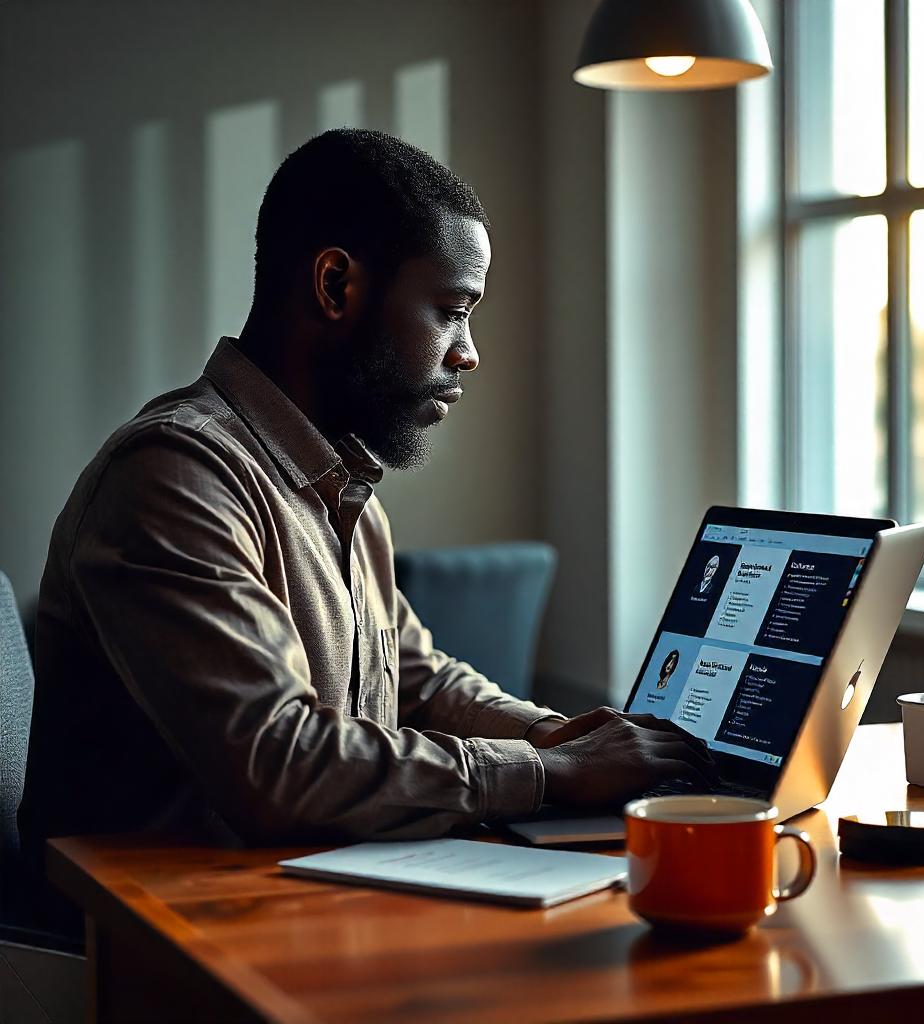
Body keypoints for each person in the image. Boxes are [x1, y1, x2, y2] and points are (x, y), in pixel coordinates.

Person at [16, 129, 712, 940]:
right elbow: (277, 762)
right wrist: (553, 772)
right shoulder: (175, 474)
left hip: (296, 909)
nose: (469, 353)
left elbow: (418, 680)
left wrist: (562, 737)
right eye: (452, 310)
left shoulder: (341, 486)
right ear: (337, 284)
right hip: (159, 953)